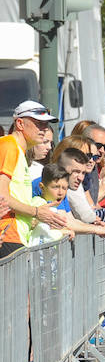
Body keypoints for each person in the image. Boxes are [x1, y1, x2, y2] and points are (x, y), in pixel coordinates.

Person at [0, 101, 68, 258]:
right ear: (20, 123)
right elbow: (3, 197)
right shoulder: (9, 145)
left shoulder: (18, 151)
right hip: (8, 234)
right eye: (39, 123)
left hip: (16, 235)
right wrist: (37, 212)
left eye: (46, 124)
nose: (44, 129)